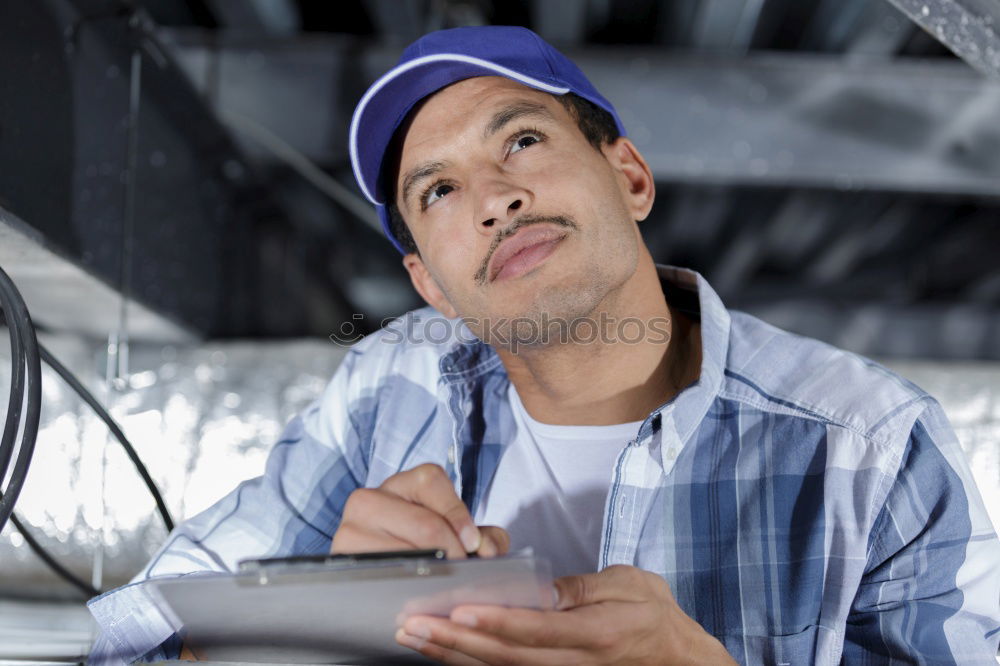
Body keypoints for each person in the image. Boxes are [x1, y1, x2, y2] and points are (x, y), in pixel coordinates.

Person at [89, 25, 1000, 665]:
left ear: (630, 176)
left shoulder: (871, 448)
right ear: (430, 286)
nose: (492, 196)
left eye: (522, 139)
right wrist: (297, 629)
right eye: (437, 192)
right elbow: (137, 639)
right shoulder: (386, 391)